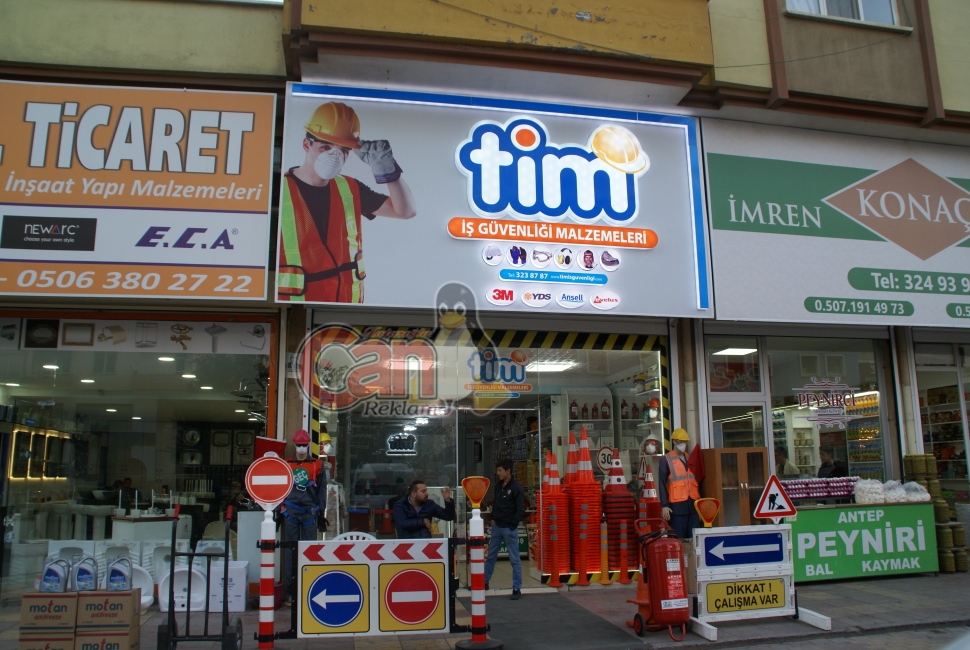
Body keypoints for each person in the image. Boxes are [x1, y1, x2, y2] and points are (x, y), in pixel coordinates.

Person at [278, 101, 417, 303]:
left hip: (345, 307)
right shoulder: (279, 190)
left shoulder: (350, 188)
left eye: (343, 150)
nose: (335, 156)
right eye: (325, 147)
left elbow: (406, 211)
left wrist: (389, 173)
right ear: (306, 144)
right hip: (296, 309)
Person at [280, 429, 328, 607]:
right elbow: (280, 488)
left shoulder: (317, 465)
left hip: (309, 513)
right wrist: (278, 510)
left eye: (304, 445)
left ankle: (309, 589)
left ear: (308, 445)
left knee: (310, 552)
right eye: (299, 445)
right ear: (294, 444)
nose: (301, 447)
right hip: (291, 512)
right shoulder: (286, 465)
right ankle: (291, 593)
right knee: (290, 553)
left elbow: (322, 490)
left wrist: (321, 513)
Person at [483, 459, 525, 601]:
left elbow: (520, 509)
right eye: (497, 470)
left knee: (514, 559)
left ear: (508, 471)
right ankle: (485, 582)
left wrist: (512, 524)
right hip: (497, 527)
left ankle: (516, 588)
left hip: (509, 528)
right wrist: (493, 518)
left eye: (500, 470)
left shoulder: (517, 488)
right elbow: (496, 503)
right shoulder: (498, 486)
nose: (498, 473)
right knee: (491, 556)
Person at [658, 428, 701, 539]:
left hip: (693, 507)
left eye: (685, 442)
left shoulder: (689, 458)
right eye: (681, 441)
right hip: (677, 508)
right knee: (679, 540)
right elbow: (662, 483)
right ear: (674, 442)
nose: (683, 444)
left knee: (694, 541)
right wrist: (664, 506)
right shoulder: (666, 460)